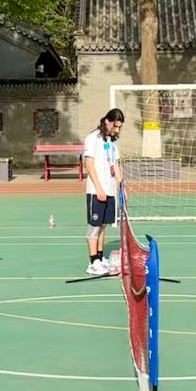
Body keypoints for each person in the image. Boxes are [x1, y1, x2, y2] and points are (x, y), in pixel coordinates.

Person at [83, 108, 124, 275]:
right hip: (96, 190)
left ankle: (100, 259)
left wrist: (121, 186)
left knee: (103, 225)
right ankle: (93, 262)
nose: (117, 130)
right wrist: (99, 188)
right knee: (94, 226)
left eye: (120, 127)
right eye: (115, 126)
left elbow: (115, 165)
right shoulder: (93, 138)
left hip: (110, 190)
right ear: (107, 121)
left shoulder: (112, 141)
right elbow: (89, 165)